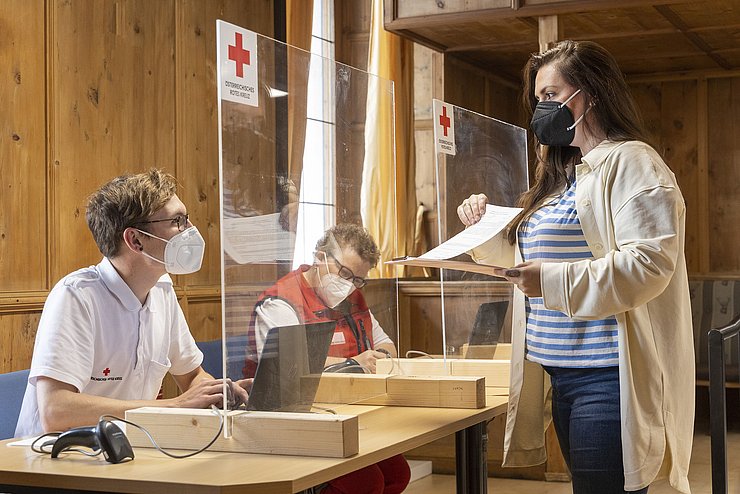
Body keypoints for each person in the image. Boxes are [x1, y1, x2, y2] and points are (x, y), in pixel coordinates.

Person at [457, 40, 694, 494]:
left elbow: (647, 264)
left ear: (591, 93)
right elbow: (527, 262)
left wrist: (548, 279)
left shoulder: (633, 162)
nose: (541, 108)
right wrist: (484, 228)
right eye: (538, 98)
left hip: (607, 377)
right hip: (559, 372)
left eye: (551, 94)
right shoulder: (563, 174)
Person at [16, 169, 247, 437]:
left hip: (125, 449)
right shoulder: (76, 296)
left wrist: (216, 393)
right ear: (135, 240)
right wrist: (174, 406)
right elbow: (56, 411)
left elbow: (192, 375)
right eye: (178, 221)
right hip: (54, 462)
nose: (191, 229)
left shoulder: (162, 289)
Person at [244, 223, 410, 494]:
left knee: (397, 474)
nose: (349, 285)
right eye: (344, 273)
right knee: (367, 483)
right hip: (290, 418)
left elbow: (386, 346)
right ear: (319, 257)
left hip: (348, 411)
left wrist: (372, 358)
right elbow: (288, 366)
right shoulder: (280, 302)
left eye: (357, 279)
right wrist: (355, 362)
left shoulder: (353, 298)